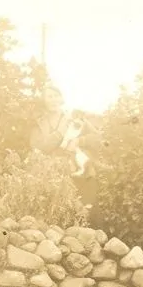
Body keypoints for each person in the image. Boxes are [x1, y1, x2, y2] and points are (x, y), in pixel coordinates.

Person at [30, 83, 105, 226]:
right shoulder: (39, 124)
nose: (52, 100)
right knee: (60, 217)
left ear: (61, 98)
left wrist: (79, 140)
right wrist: (60, 132)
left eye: (55, 96)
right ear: (44, 100)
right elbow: (39, 147)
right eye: (49, 96)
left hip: (80, 172)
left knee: (87, 212)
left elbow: (98, 139)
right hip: (54, 175)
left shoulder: (74, 118)